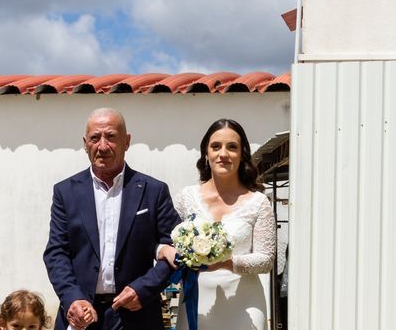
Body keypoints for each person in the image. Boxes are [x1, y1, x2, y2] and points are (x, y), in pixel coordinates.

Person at [43, 108, 180, 330]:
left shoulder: (153, 191)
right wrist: (72, 297)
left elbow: (176, 248)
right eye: (95, 138)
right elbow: (56, 252)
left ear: (127, 141)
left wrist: (144, 289)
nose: (103, 146)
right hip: (81, 317)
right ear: (85, 143)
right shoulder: (65, 192)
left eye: (111, 137)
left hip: (138, 315)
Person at [160, 118, 276, 330]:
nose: (223, 154)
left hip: (245, 305)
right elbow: (166, 242)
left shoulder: (259, 202)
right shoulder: (186, 198)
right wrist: (166, 251)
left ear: (242, 155)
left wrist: (226, 262)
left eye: (232, 147)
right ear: (206, 153)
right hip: (196, 302)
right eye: (216, 147)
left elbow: (266, 260)